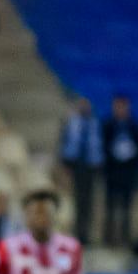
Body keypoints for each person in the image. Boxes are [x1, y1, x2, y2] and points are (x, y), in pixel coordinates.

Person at [57, 96, 102, 244]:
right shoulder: (71, 123)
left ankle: (85, 233)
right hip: (75, 166)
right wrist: (65, 164)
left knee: (88, 202)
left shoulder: (95, 123)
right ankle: (74, 232)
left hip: (89, 167)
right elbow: (64, 143)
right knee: (75, 200)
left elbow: (99, 147)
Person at [101, 94, 138, 246]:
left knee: (126, 206)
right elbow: (102, 148)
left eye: (123, 106)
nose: (120, 109)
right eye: (117, 106)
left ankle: (125, 237)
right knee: (110, 206)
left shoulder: (134, 125)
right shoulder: (107, 125)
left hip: (128, 172)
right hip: (112, 172)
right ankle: (109, 238)